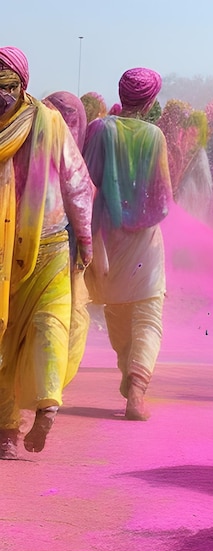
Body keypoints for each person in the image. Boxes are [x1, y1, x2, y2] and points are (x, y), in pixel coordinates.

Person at [0, 47, 94, 459]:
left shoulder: (49, 123)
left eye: (7, 86)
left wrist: (85, 240)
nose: (2, 95)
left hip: (40, 246)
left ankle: (13, 425)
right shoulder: (52, 122)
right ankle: (44, 404)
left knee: (24, 332)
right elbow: (78, 185)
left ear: (22, 85)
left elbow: (75, 185)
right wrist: (86, 239)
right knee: (46, 327)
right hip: (49, 243)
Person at [82, 67, 175, 420]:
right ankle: (136, 387)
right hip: (145, 242)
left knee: (117, 310)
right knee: (148, 315)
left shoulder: (100, 129)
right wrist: (139, 215)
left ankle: (129, 373)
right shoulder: (154, 136)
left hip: (107, 238)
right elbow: (164, 199)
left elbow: (85, 184)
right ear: (150, 101)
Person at [43, 91, 92, 387]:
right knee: (71, 317)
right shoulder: (74, 155)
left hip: (26, 245)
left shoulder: (30, 138)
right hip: (65, 250)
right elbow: (79, 195)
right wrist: (86, 243)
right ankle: (52, 385)